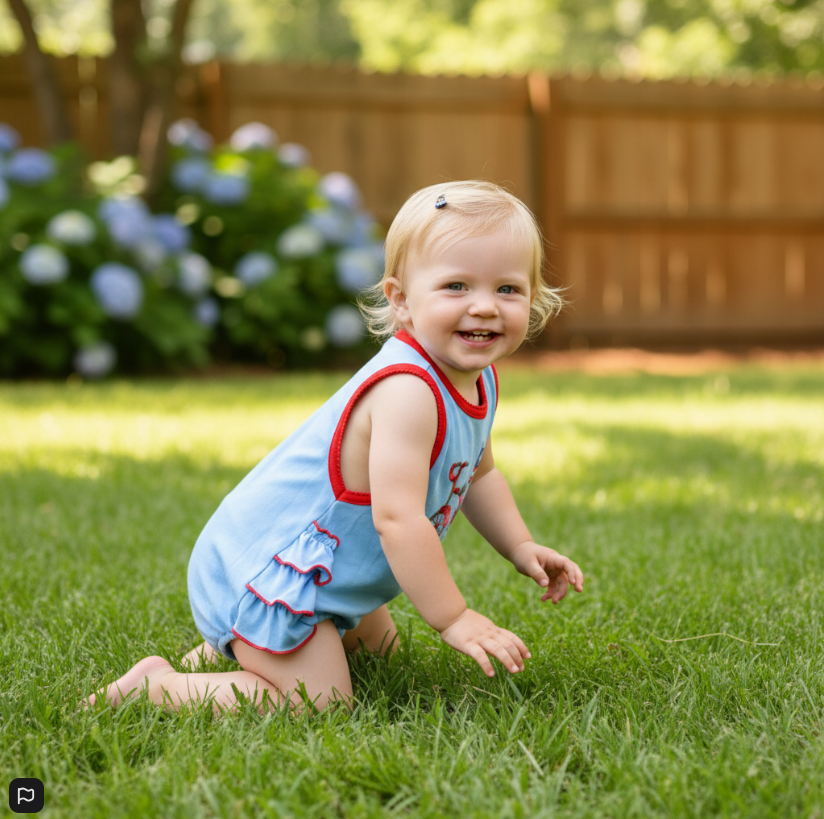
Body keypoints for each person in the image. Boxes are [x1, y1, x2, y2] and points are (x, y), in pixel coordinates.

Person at [86, 179, 584, 714]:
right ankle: (156, 689)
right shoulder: (408, 392)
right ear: (402, 301)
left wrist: (519, 546)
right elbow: (398, 520)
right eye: (457, 286)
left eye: (507, 289)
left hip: (331, 567)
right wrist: (455, 617)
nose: (485, 307)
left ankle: (229, 649)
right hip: (271, 568)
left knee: (381, 662)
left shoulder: (478, 381)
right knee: (320, 703)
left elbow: (479, 476)